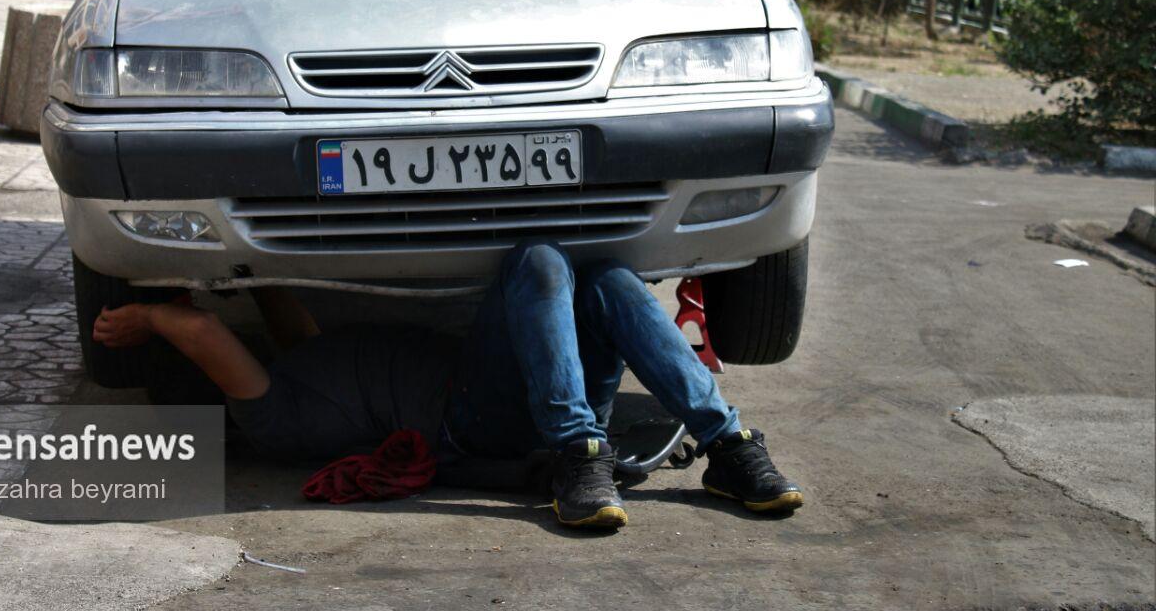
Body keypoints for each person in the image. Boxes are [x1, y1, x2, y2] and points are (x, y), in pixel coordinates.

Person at [92, 242, 803, 529]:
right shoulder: (269, 418)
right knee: (537, 263)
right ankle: (578, 453)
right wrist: (152, 317)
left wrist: (237, 267)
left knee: (609, 282)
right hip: (479, 419)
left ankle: (728, 444)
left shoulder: (300, 369)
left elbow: (284, 313)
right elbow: (203, 333)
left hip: (526, 387)